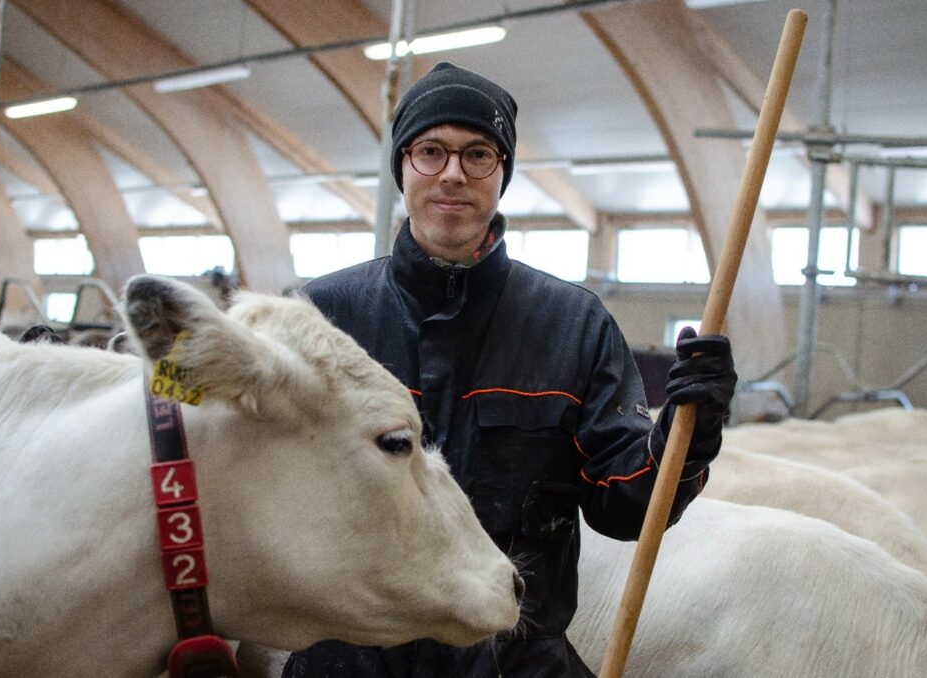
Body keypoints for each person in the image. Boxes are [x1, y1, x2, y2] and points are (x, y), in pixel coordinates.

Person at [283, 61, 737, 678]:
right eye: (430, 151)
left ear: (502, 174)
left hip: (511, 664)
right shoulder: (322, 315)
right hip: (346, 665)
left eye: (478, 155)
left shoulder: (572, 325)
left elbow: (628, 507)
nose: (452, 174)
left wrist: (691, 431)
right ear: (401, 167)